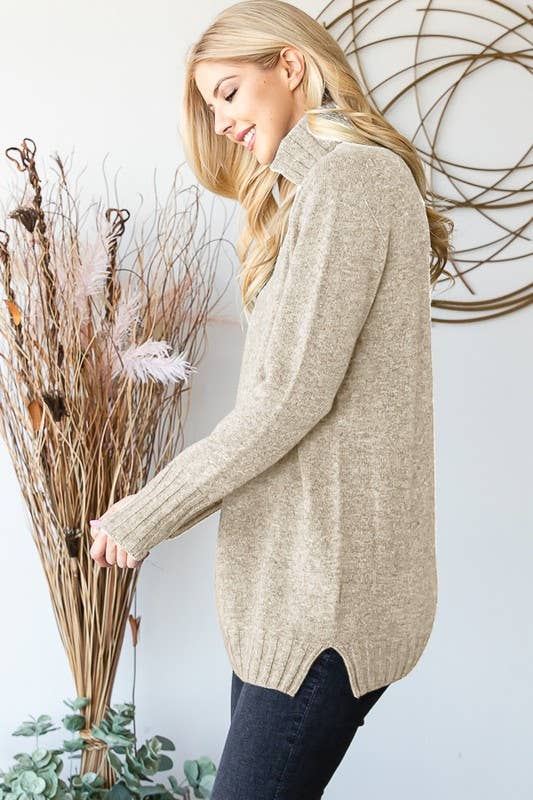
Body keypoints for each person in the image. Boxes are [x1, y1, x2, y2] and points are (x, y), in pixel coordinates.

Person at [90, 1, 454, 796]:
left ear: (289, 66)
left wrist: (144, 513)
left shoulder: (351, 182)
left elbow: (287, 400)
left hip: (326, 601)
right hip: (291, 591)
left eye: (227, 91)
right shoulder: (316, 193)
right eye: (208, 104)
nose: (219, 119)